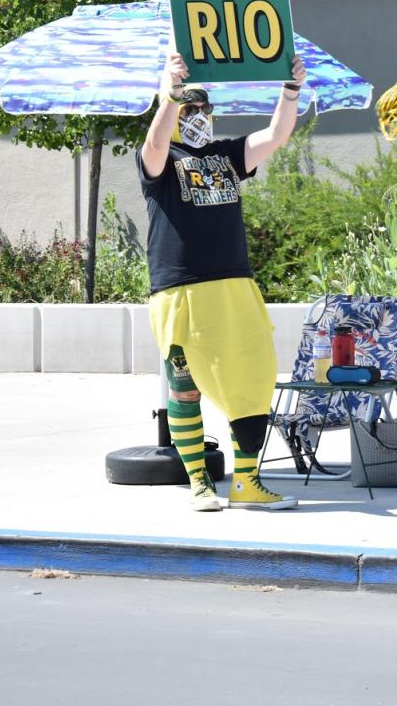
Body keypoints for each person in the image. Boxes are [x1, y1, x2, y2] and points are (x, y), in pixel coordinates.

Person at [138, 49, 306, 512]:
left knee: (251, 382)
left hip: (234, 287)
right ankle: (200, 483)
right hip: (181, 291)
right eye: (189, 109)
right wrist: (170, 96)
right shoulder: (161, 158)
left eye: (203, 109)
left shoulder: (225, 155)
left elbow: (275, 136)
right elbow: (153, 145)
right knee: (185, 387)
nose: (197, 116)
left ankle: (247, 482)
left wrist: (290, 91)